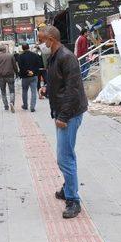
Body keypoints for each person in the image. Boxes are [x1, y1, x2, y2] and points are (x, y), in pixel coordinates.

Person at [38, 26, 88, 219]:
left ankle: (73, 200)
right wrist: (46, 89)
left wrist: (63, 117)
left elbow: (73, 90)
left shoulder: (66, 57)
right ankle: (68, 188)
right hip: (62, 111)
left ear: (51, 39)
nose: (40, 44)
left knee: (64, 157)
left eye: (42, 41)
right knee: (66, 154)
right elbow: (58, 83)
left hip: (69, 114)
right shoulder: (54, 56)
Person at [17, 43, 42, 112]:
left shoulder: (20, 56)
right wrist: (32, 71)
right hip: (34, 76)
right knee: (34, 91)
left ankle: (25, 105)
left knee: (24, 91)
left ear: (22, 48)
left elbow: (20, 67)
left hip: (25, 77)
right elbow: (38, 65)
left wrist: (27, 72)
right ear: (28, 47)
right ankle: (32, 107)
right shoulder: (35, 55)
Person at [0, 46, 18, 113]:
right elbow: (14, 65)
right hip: (10, 75)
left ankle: (6, 106)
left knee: (3, 91)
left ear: (0, 50)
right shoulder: (10, 56)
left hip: (1, 76)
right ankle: (12, 103)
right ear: (5, 50)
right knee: (12, 91)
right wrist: (17, 72)